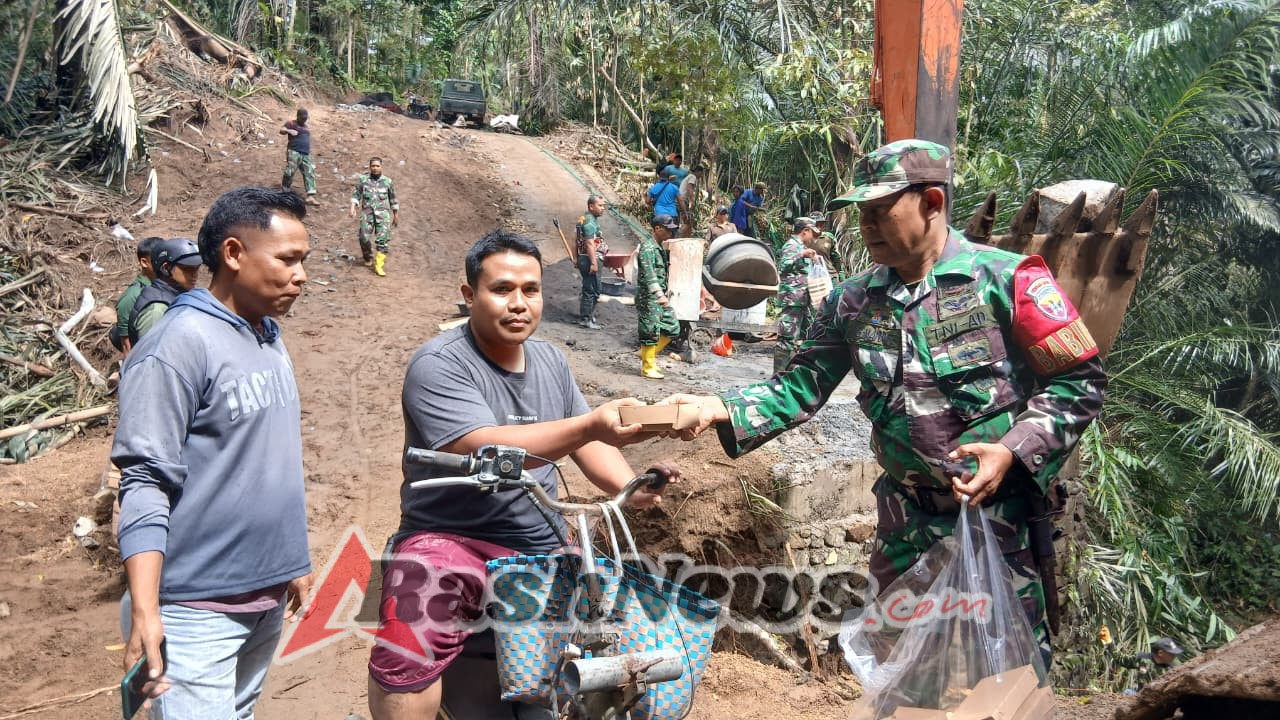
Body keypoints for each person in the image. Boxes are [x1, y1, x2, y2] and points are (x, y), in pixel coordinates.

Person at [663, 140, 1107, 666]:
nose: (866, 225)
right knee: (895, 671)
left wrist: (1011, 450)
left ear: (932, 203)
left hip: (998, 524)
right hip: (906, 526)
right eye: (861, 214)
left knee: (1004, 675)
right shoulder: (852, 301)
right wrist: (718, 407)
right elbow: (801, 383)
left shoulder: (1009, 281)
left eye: (880, 211)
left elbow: (1080, 380)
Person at [366, 230, 672, 719]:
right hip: (453, 537)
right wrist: (591, 423)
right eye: (502, 289)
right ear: (470, 296)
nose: (519, 303)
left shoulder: (551, 360)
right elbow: (486, 448)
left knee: (616, 625)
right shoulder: (438, 365)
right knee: (411, 632)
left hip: (540, 538)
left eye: (530, 290)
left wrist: (627, 486)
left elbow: (586, 443)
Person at [114, 187, 314, 718]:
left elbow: (269, 460)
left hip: (264, 596)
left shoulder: (268, 336)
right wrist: (146, 608)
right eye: (288, 259)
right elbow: (144, 482)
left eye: (304, 260)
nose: (301, 275)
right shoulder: (177, 345)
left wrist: (292, 558)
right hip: (194, 609)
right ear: (232, 254)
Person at [128, 237, 203, 345]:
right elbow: (152, 356)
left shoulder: (177, 295)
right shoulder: (156, 310)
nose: (195, 275)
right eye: (188, 269)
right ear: (166, 268)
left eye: (197, 268)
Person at [635, 215, 684, 379]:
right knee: (649, 331)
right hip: (650, 297)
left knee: (672, 326)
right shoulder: (648, 248)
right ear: (657, 228)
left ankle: (646, 354)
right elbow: (650, 275)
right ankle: (648, 366)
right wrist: (658, 294)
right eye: (668, 229)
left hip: (659, 297)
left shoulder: (659, 247)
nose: (671, 232)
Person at [773, 217, 820, 373]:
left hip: (802, 300)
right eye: (812, 233)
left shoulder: (801, 247)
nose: (813, 238)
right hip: (792, 300)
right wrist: (801, 255)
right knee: (787, 338)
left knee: (804, 336)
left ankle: (791, 374)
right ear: (805, 231)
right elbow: (783, 266)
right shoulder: (792, 246)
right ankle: (778, 376)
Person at [349, 157, 400, 276]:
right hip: (367, 214)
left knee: (382, 241)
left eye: (377, 166)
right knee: (364, 238)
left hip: (383, 216)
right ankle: (368, 257)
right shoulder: (363, 180)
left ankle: (379, 265)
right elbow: (356, 195)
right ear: (370, 167)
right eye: (373, 166)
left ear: (381, 167)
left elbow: (393, 198)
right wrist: (352, 208)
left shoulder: (388, 182)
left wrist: (395, 215)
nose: (375, 168)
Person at [111, 236, 161, 355]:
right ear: (144, 262)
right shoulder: (131, 297)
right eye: (157, 259)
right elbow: (127, 345)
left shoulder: (165, 286)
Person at [1099, 627, 1183, 690]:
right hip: (1139, 697)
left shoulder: (1171, 670)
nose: (1174, 656)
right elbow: (1121, 659)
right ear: (1160, 653)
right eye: (1171, 653)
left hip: (1158, 702)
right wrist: (1109, 642)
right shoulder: (1142, 659)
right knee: (1128, 692)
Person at [575, 195, 610, 329]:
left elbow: (575, 239)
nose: (603, 209)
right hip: (590, 258)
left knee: (592, 287)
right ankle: (585, 319)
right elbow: (589, 244)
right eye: (600, 206)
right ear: (591, 206)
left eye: (603, 206)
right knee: (592, 289)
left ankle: (588, 315)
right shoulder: (589, 222)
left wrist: (575, 257)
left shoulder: (583, 219)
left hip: (584, 257)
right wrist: (594, 263)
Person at [280, 108, 320, 206]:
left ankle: (310, 196)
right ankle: (285, 191)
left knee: (309, 173)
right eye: (302, 118)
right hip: (294, 151)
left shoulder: (306, 127)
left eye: (305, 118)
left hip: (305, 154)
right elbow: (282, 130)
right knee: (290, 171)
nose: (304, 120)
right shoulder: (291, 123)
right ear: (297, 116)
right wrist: (290, 131)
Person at [678, 164, 704, 237]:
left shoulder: (689, 176)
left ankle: (686, 236)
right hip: (684, 200)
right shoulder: (693, 177)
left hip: (680, 199)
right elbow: (689, 188)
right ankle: (680, 237)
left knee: (687, 220)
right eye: (702, 173)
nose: (701, 175)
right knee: (687, 221)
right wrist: (692, 201)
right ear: (698, 172)